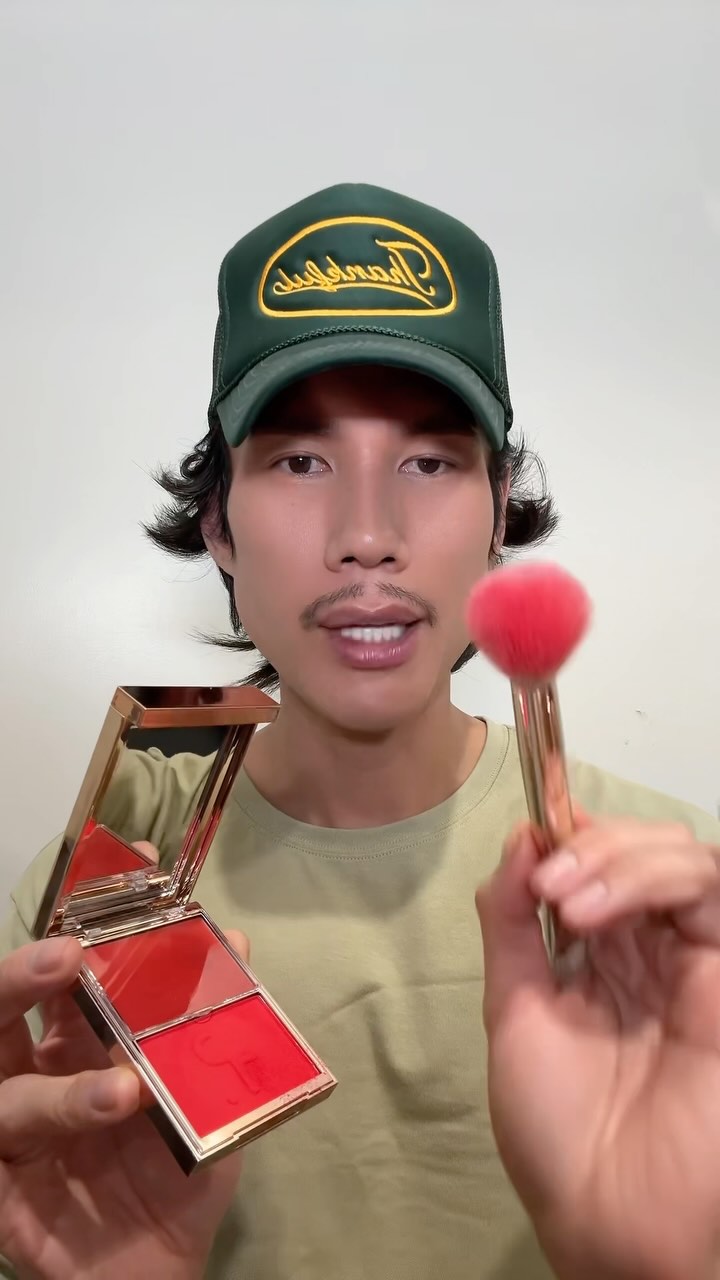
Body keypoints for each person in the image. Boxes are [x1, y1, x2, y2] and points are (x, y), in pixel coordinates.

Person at [1, 182, 720, 1280]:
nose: (368, 535)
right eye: (300, 461)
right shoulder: (86, 904)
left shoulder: (679, 912)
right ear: (219, 525)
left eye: (429, 462)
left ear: (499, 513)